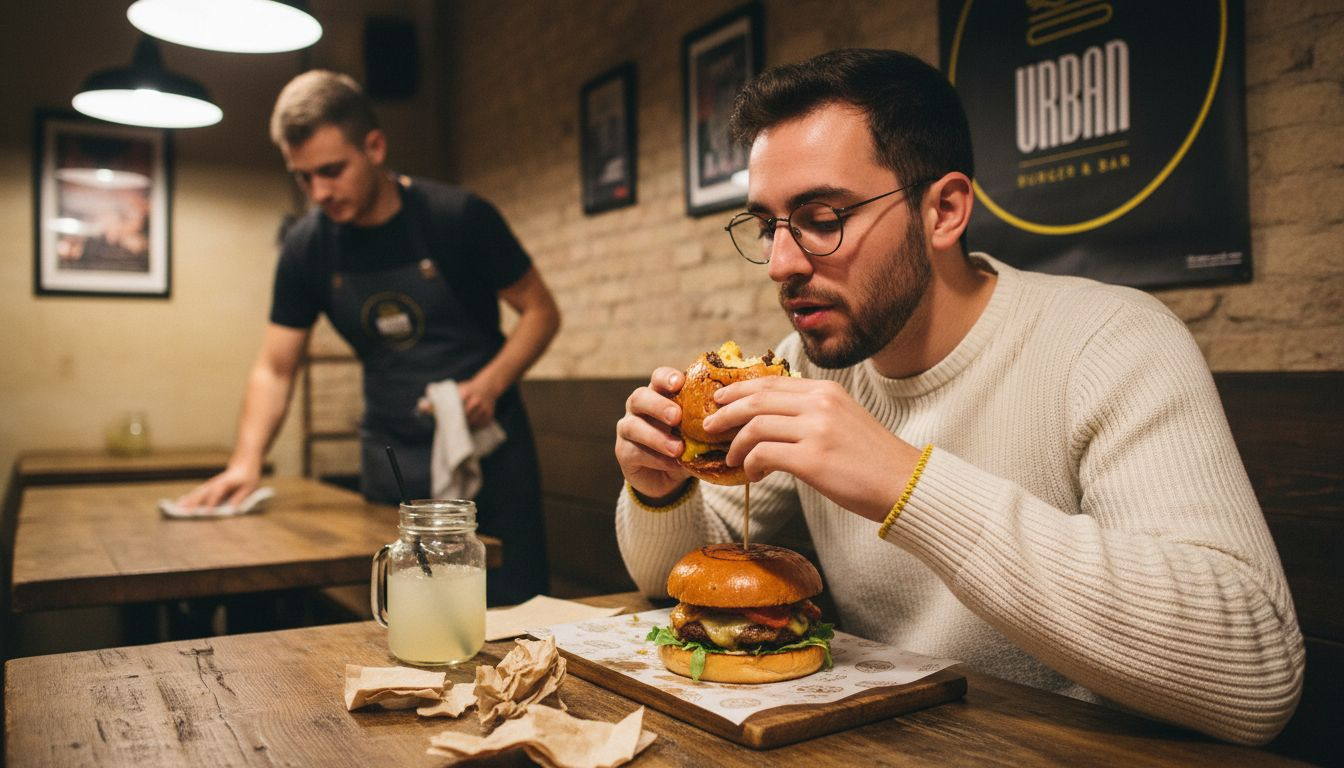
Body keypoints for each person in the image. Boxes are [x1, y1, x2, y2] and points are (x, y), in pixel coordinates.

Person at [613, 49, 1303, 745]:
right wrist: (662, 488)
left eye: (823, 216)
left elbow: (1259, 675)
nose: (783, 264)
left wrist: (907, 485)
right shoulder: (801, 368)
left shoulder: (1110, 341)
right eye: (768, 225)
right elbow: (666, 578)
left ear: (944, 210)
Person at [181, 70, 559, 606]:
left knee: (514, 617)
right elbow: (275, 367)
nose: (319, 193)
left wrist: (489, 384)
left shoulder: (459, 218)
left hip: (488, 453)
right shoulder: (307, 248)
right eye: (303, 177)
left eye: (332, 171)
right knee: (408, 621)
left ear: (375, 146)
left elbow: (541, 312)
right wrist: (246, 461)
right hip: (393, 461)